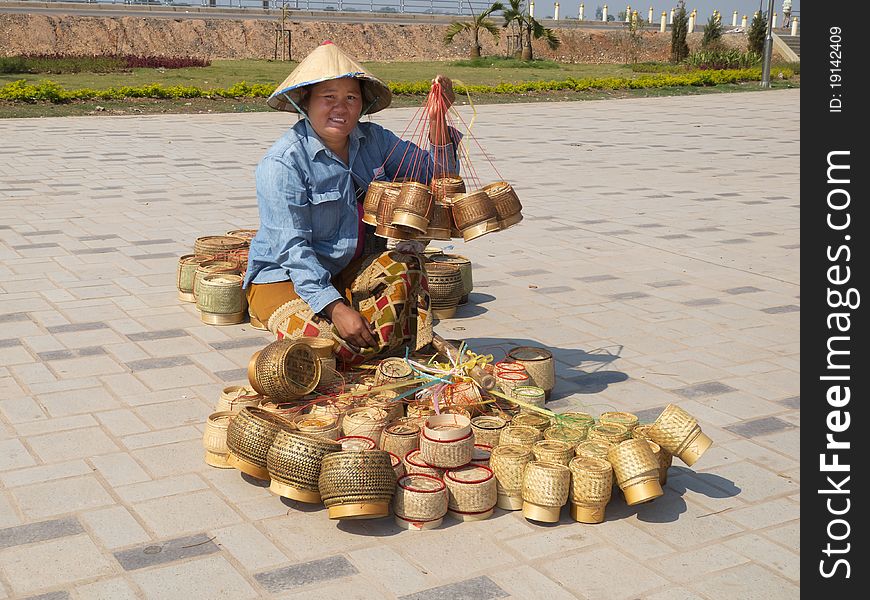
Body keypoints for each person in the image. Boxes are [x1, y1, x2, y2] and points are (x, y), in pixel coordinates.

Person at [243, 41, 460, 366]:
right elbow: (292, 251)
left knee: (408, 267)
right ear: (306, 102)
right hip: (285, 277)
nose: (340, 108)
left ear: (362, 104)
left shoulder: (375, 140)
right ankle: (289, 316)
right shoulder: (283, 163)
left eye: (350, 98)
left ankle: (391, 339)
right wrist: (336, 308)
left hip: (349, 267)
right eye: (328, 97)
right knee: (330, 349)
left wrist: (437, 122)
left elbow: (439, 175)